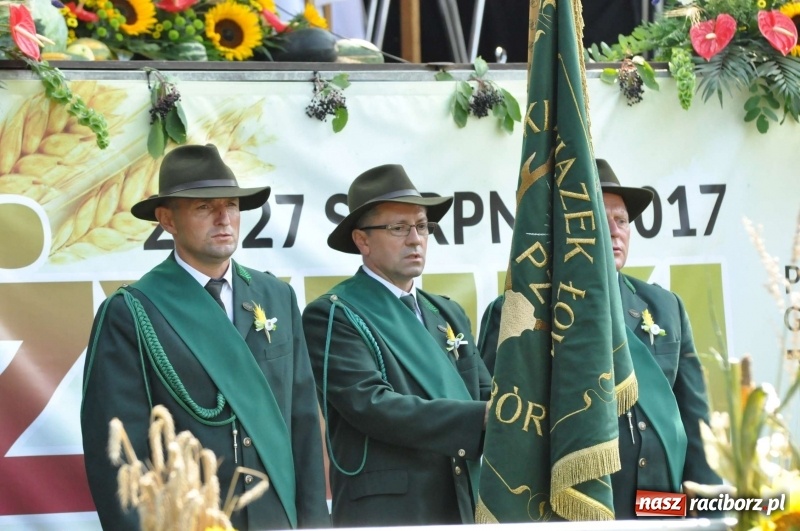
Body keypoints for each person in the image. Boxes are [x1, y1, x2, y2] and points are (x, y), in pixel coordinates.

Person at [81, 144, 330, 530]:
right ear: (167, 220)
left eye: (231, 205)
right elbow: (118, 456)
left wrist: (314, 526)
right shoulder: (131, 311)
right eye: (203, 207)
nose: (223, 218)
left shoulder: (276, 297)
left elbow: (304, 428)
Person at [477, 158, 721, 518]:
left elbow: (695, 418)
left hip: (659, 503)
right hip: (570, 506)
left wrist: (710, 508)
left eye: (621, 221)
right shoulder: (520, 309)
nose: (615, 231)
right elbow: (499, 418)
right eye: (598, 220)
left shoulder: (664, 305)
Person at [302, 164, 492, 526]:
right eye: (398, 228)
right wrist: (481, 415)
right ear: (362, 240)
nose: (415, 239)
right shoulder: (332, 314)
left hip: (465, 499)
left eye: (422, 226)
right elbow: (373, 406)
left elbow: (484, 391)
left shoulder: (447, 312)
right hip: (390, 511)